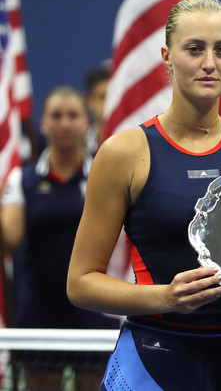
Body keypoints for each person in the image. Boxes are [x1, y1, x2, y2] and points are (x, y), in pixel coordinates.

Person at [66, 0, 221, 391]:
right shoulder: (124, 153)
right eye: (195, 49)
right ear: (167, 56)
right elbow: (80, 282)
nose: (209, 63)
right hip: (153, 364)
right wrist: (166, 297)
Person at [0, 86, 121, 391]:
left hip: (95, 305)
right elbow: (10, 238)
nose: (64, 123)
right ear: (43, 124)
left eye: (72, 116)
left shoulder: (106, 174)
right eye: (56, 116)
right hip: (40, 308)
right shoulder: (22, 179)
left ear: (86, 123)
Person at [83, 62, 111, 154]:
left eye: (114, 97)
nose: (110, 103)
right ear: (89, 101)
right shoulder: (80, 142)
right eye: (102, 97)